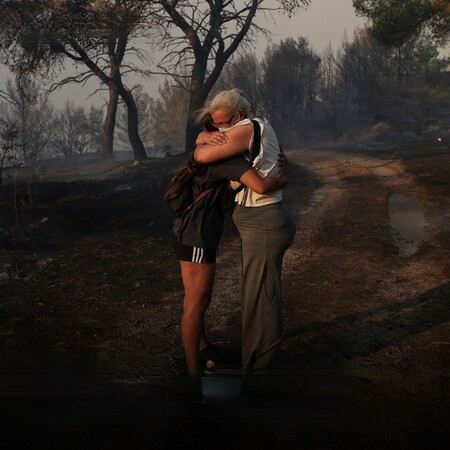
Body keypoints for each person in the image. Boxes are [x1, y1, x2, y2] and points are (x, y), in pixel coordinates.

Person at [165, 117, 287, 379]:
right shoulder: (227, 161)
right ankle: (192, 370)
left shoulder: (216, 154)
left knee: (193, 300)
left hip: (189, 232)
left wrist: (203, 138)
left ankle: (202, 348)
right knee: (198, 303)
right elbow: (261, 186)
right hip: (196, 236)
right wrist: (283, 181)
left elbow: (203, 148)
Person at [194, 88, 296, 374]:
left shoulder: (246, 128)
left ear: (238, 115)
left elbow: (201, 157)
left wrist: (202, 140)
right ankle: (255, 360)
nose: (219, 129)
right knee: (257, 292)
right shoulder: (255, 128)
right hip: (262, 219)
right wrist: (205, 136)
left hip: (264, 219)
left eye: (223, 123)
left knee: (260, 294)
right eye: (214, 124)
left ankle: (260, 367)